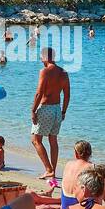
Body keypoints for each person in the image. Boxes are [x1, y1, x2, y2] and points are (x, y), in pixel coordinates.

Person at [30, 47, 70, 180]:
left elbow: (39, 93)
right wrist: (63, 111)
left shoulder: (45, 71)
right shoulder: (64, 72)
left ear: (45, 57)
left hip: (45, 108)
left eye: (41, 57)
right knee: (53, 140)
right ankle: (53, 170)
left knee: (35, 140)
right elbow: (67, 94)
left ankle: (48, 169)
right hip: (57, 109)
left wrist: (33, 110)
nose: (40, 60)